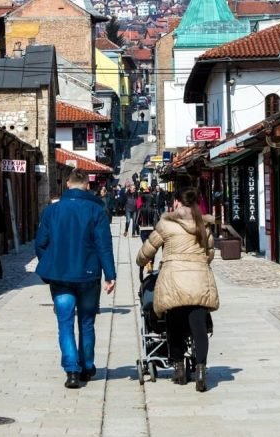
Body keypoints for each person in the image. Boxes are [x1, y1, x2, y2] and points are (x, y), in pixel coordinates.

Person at [35, 168, 116, 389]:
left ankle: (72, 370)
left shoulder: (52, 211)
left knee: (65, 322)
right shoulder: (95, 210)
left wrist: (50, 263)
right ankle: (87, 366)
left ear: (68, 185)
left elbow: (40, 243)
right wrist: (110, 274)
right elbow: (103, 245)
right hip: (88, 274)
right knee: (87, 322)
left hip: (60, 276)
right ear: (87, 186)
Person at [136, 187, 218, 392]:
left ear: (178, 204)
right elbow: (210, 253)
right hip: (198, 280)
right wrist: (199, 262)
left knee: (173, 324)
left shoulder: (166, 225)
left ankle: (179, 369)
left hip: (173, 280)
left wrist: (141, 260)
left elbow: (148, 249)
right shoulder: (203, 225)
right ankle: (200, 370)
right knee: (198, 327)